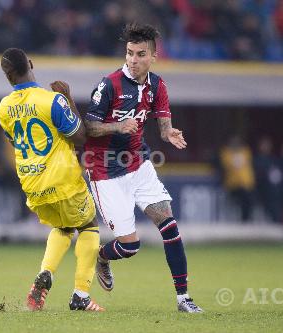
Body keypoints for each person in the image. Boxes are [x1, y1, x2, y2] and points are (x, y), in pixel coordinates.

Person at [83, 23, 203, 313]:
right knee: (130, 246)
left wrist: (170, 133)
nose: (133, 60)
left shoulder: (158, 86)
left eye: (139, 54)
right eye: (129, 53)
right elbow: (88, 126)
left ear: (153, 56)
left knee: (170, 226)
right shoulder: (109, 84)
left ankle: (183, 299)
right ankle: (102, 257)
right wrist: (117, 125)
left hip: (139, 164)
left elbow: (163, 126)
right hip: (104, 170)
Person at [0, 48, 104, 312]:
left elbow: (16, 141)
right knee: (89, 226)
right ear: (31, 64)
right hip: (64, 182)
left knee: (64, 228)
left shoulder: (4, 107)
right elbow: (80, 136)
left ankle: (45, 273)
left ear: (7, 75)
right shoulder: (52, 101)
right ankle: (80, 295)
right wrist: (67, 98)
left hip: (33, 187)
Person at [219, 135, 255, 222]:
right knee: (245, 196)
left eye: (237, 142)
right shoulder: (226, 153)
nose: (235, 144)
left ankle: (249, 219)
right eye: (233, 142)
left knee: (251, 196)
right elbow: (228, 165)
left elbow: (248, 165)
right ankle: (245, 220)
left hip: (248, 186)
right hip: (233, 186)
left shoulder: (245, 151)